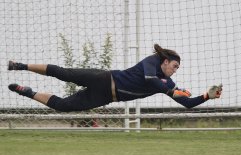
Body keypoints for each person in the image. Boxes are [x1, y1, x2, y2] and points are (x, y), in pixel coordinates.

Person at [8, 44, 222, 112]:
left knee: (63, 106)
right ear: (165, 61)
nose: (176, 70)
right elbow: (150, 80)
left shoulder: (169, 84)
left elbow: (187, 104)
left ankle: (28, 92)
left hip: (106, 97)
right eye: (175, 66)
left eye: (177, 69)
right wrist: (171, 90)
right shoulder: (153, 61)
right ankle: (22, 65)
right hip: (103, 79)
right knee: (62, 73)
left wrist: (206, 96)